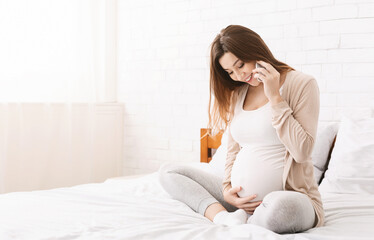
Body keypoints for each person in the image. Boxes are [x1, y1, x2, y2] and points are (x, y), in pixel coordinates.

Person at [159, 25, 324, 234]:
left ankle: (254, 221)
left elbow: (302, 151)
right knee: (169, 172)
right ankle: (222, 217)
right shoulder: (239, 93)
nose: (239, 75)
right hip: (238, 205)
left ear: (256, 51)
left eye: (241, 65)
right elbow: (232, 150)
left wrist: (275, 97)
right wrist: (227, 189)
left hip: (288, 198)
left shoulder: (301, 83)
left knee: (280, 207)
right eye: (230, 72)